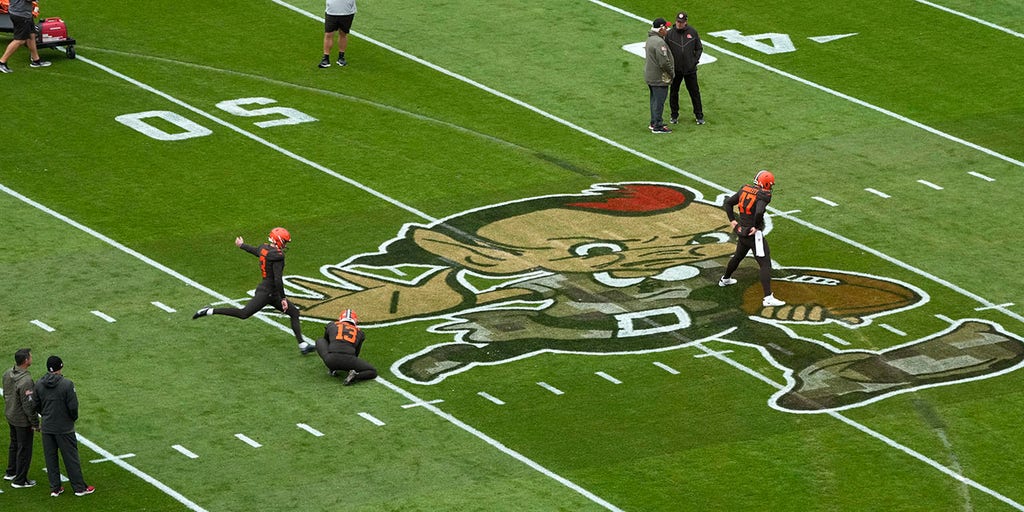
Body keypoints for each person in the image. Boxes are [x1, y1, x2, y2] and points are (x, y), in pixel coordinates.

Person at [193, 227, 316, 355]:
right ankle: (209, 311)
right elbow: (278, 279)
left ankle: (302, 345)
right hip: (268, 293)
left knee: (294, 312)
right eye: (284, 241)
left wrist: (242, 245)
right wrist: (283, 298)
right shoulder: (278, 256)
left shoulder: (264, 248)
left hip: (269, 290)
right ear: (279, 240)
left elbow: (255, 251)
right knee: (244, 313)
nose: (285, 244)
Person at [719, 170, 786, 307]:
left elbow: (728, 203)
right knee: (765, 264)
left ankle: (725, 279)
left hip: (742, 230)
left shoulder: (745, 188)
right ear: (765, 183)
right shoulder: (763, 195)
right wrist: (756, 226)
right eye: (770, 185)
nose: (771, 187)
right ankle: (768, 297)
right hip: (752, 234)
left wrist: (733, 221)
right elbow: (760, 211)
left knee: (738, 256)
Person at [32, 356, 94, 497]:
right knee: (71, 458)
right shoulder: (67, 384)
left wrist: (46, 414)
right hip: (64, 428)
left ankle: (55, 488)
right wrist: (71, 419)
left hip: (47, 427)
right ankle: (79, 488)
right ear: (61, 367)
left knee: (50, 458)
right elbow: (73, 407)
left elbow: (35, 405)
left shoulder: (39, 384)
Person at [3, 348, 38, 489]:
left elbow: (6, 393)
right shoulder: (26, 381)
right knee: (24, 449)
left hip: (10, 414)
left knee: (14, 444)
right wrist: (35, 423)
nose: (31, 357)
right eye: (30, 356)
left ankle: (11, 471)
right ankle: (20, 480)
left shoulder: (7, 373)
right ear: (25, 361)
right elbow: (29, 405)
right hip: (22, 420)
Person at [315, 309, 377, 385]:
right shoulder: (360, 332)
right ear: (355, 321)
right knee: (372, 371)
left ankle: (332, 369)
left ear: (340, 318)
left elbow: (326, 341)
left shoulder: (332, 325)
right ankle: (355, 376)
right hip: (349, 361)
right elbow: (356, 352)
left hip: (331, 360)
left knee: (320, 340)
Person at [665, 11, 704, 125]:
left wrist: (694, 62)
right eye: (678, 21)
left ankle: (699, 115)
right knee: (673, 92)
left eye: (681, 22)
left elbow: (699, 48)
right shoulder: (669, 34)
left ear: (685, 22)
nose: (679, 24)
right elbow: (666, 52)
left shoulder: (692, 32)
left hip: (690, 69)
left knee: (694, 92)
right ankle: (674, 115)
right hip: (676, 69)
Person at [0, 0, 50, 73]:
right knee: (20, 40)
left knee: (31, 35)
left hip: (22, 13)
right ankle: (2, 62)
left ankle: (36, 60)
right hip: (21, 15)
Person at [644, 17, 675, 134]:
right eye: (665, 27)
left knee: (654, 100)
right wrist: (671, 72)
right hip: (659, 77)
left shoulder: (651, 39)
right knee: (659, 101)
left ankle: (654, 122)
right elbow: (663, 62)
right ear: (661, 28)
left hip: (651, 75)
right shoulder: (659, 42)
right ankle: (657, 125)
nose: (667, 29)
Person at [319, 0, 356, 68]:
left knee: (343, 34)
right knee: (328, 34)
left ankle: (341, 57)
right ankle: (326, 58)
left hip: (347, 12)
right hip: (331, 11)